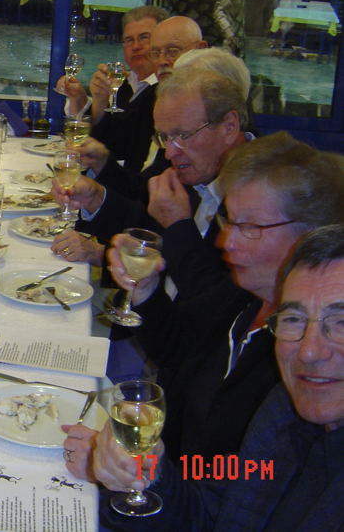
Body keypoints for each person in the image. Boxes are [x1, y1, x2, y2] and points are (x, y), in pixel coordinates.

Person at [63, 132, 344, 483]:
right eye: (229, 222)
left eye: (249, 227)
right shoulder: (242, 296)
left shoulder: (302, 361)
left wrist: (137, 469)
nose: (226, 242)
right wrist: (145, 289)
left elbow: (241, 480)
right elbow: (175, 348)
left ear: (311, 237)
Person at [91, 223, 344, 530]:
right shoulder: (284, 411)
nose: (309, 352)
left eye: (341, 322)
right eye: (294, 319)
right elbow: (214, 513)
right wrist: (146, 475)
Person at [52, 67, 247, 296]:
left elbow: (213, 303)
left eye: (183, 135)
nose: (170, 153)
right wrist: (97, 198)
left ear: (229, 127)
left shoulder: (259, 195)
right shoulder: (203, 166)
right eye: (164, 138)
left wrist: (178, 226)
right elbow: (150, 231)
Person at [57, 6, 168, 171]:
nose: (136, 46)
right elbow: (102, 141)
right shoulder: (123, 84)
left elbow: (122, 151)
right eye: (129, 40)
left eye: (144, 37)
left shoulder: (163, 93)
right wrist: (92, 100)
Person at [214, 0, 291, 55]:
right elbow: (220, 11)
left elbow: (288, 13)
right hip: (236, 40)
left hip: (263, 41)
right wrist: (229, 34)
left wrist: (281, 30)